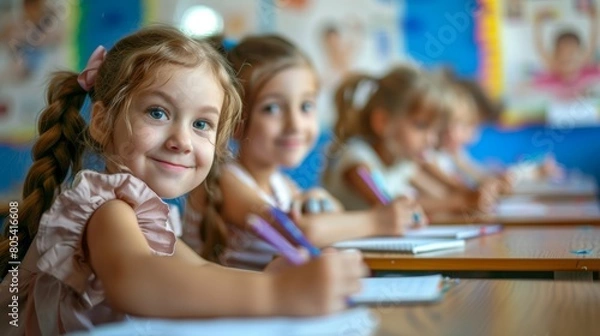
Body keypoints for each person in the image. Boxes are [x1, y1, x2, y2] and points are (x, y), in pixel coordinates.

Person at [0, 26, 366, 335]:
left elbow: (198, 270)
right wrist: (277, 293)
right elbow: (137, 281)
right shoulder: (106, 209)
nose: (182, 140)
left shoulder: (146, 214)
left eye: (201, 124)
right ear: (101, 122)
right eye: (158, 112)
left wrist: (276, 279)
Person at [184, 35, 423, 269]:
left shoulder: (281, 186)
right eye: (272, 108)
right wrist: (378, 220)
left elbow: (328, 227)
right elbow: (300, 234)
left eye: (306, 106)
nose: (295, 125)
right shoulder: (225, 180)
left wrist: (325, 203)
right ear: (233, 120)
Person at [324, 65, 493, 216]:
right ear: (382, 122)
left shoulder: (402, 164)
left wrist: (469, 197)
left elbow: (440, 197)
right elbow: (390, 209)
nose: (431, 139)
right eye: (421, 126)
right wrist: (460, 201)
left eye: (435, 130)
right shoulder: (358, 161)